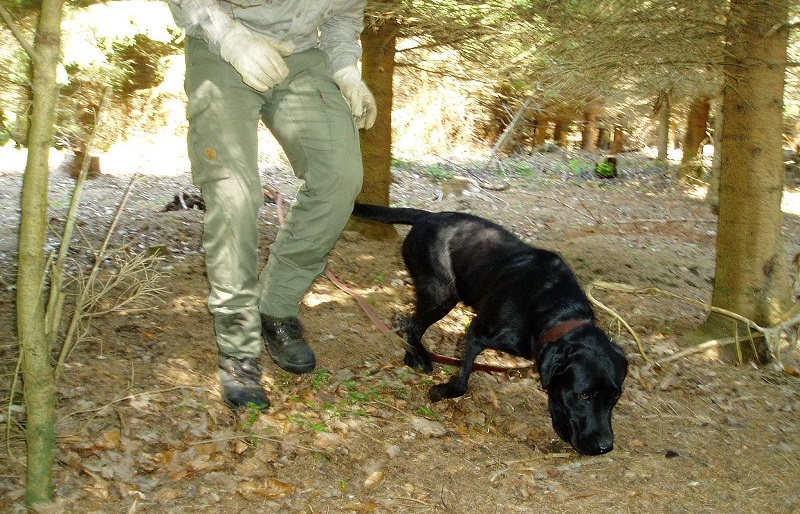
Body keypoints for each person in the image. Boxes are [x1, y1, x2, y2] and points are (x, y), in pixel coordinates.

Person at [166, 0, 376, 410]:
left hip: (302, 55)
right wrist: (232, 39)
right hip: (222, 46)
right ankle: (238, 347)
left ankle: (276, 305)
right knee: (234, 194)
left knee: (339, 178)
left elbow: (343, 14)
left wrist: (346, 69)